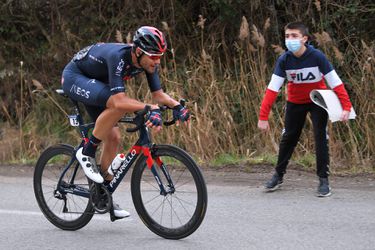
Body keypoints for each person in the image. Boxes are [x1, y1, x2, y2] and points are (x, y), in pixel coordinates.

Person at [61, 26, 190, 218]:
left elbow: (158, 95)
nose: (157, 61)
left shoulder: (148, 61)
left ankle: (102, 194)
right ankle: (86, 152)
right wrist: (150, 108)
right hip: (76, 76)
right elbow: (120, 101)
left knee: (113, 137)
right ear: (138, 52)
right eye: (154, 56)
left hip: (98, 83)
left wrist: (177, 107)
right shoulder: (119, 57)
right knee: (117, 104)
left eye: (160, 56)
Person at [258, 21, 352, 197]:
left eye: (294, 36)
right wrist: (263, 117)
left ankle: (323, 180)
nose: (290, 40)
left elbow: (335, 82)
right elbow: (272, 89)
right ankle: (278, 176)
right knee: (288, 138)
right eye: (287, 36)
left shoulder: (317, 57)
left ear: (304, 39)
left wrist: (346, 107)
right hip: (295, 102)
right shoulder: (284, 60)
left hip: (318, 100)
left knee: (320, 138)